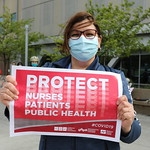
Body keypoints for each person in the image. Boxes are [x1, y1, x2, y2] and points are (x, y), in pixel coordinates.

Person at [0, 11, 141, 150]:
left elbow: (133, 133)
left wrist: (127, 124)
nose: (83, 39)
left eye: (89, 34)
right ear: (68, 41)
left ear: (99, 40)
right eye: (75, 34)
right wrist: (11, 101)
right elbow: (25, 115)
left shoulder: (115, 79)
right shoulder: (46, 74)